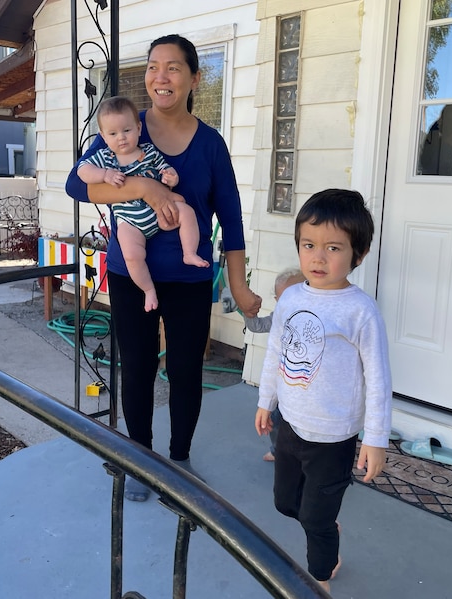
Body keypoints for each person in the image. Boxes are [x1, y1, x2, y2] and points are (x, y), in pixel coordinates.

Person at [66, 34, 262, 502]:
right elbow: (78, 184)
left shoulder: (211, 144)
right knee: (136, 367)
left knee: (186, 369)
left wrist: (239, 283)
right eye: (154, 66)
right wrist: (144, 189)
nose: (161, 76)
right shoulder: (123, 128)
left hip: (190, 277)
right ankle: (141, 460)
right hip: (130, 274)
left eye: (173, 67)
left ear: (195, 79)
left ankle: (179, 458)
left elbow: (231, 217)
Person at [254, 189, 392, 592]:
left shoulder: (360, 310)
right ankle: (325, 522)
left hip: (334, 437)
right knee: (285, 503)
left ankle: (319, 578)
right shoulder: (291, 297)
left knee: (314, 520)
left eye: (333, 248)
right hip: (290, 425)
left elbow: (379, 379)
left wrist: (376, 439)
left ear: (358, 255)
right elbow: (275, 352)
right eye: (309, 245)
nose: (318, 257)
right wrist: (266, 401)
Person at [78, 96, 209, 312]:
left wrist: (171, 178)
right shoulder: (105, 158)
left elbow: (166, 170)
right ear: (103, 136)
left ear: (138, 128)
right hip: (130, 222)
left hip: (159, 212)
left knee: (187, 212)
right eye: (113, 134)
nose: (121, 138)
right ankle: (148, 290)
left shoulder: (148, 151)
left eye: (126, 130)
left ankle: (189, 253)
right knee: (131, 254)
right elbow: (82, 172)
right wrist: (104, 175)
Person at [243, 267, 305, 462]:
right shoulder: (278, 317)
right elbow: (256, 326)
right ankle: (278, 450)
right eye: (280, 299)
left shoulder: (311, 320)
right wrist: (248, 311)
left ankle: (302, 454)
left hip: (302, 385)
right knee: (275, 421)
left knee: (300, 424)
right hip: (279, 384)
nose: (285, 304)